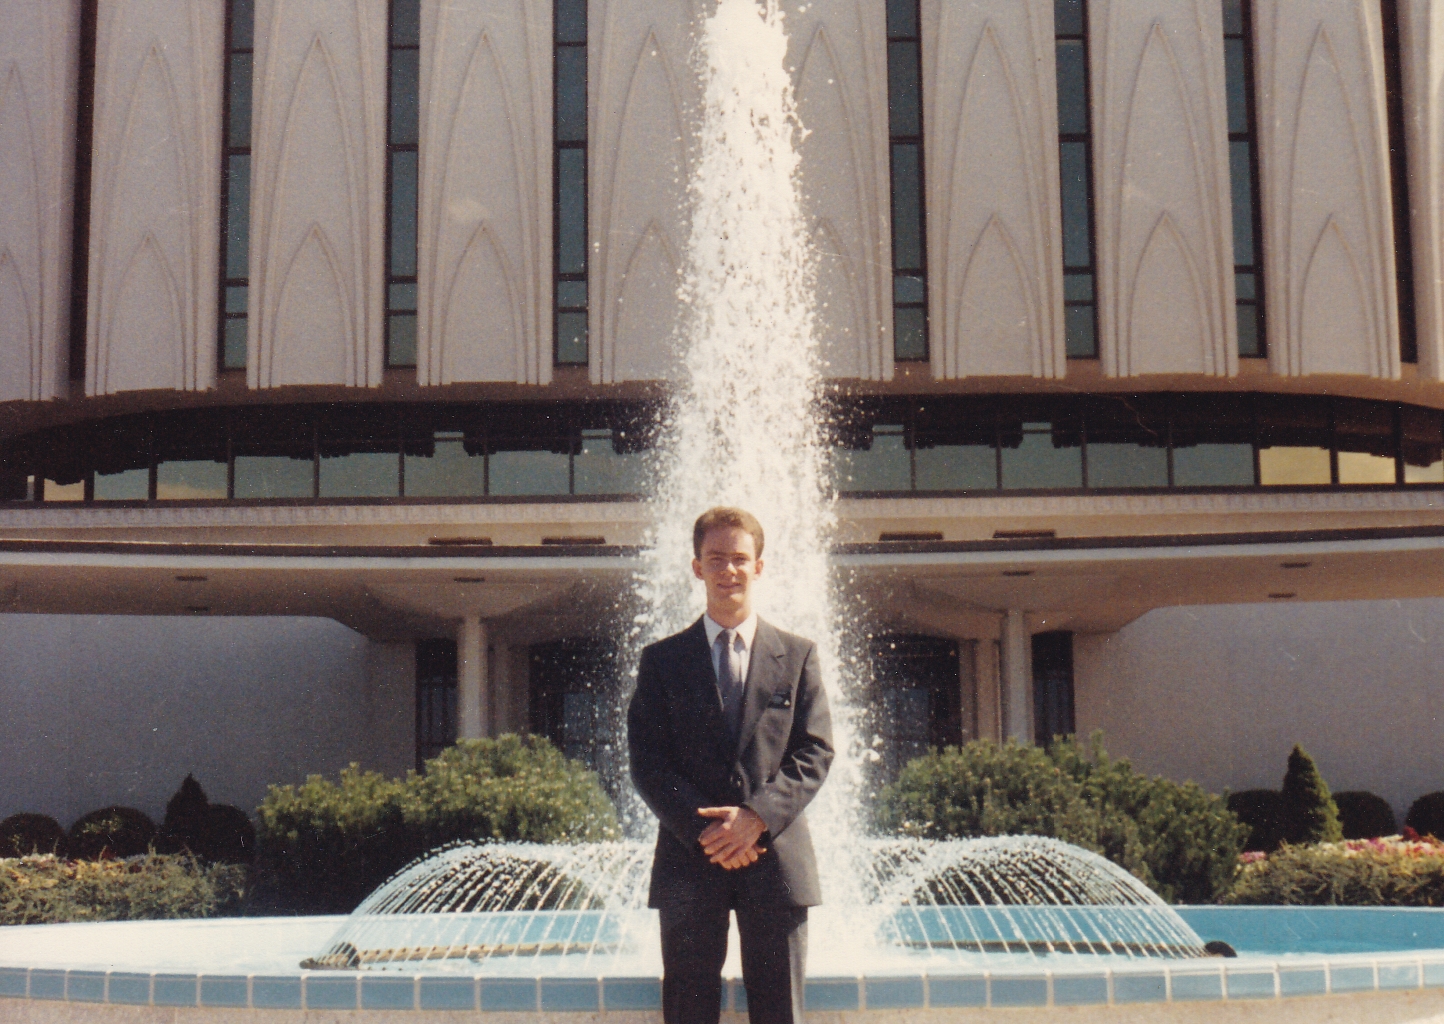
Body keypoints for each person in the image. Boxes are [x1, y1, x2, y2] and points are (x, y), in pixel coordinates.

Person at [628, 506, 834, 1024]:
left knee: (780, 1014)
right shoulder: (662, 660)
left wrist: (755, 818)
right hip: (691, 860)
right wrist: (711, 832)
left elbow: (815, 752)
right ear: (697, 566)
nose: (729, 570)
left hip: (777, 862)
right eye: (716, 558)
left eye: (740, 558)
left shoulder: (798, 654)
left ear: (759, 566)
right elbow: (647, 762)